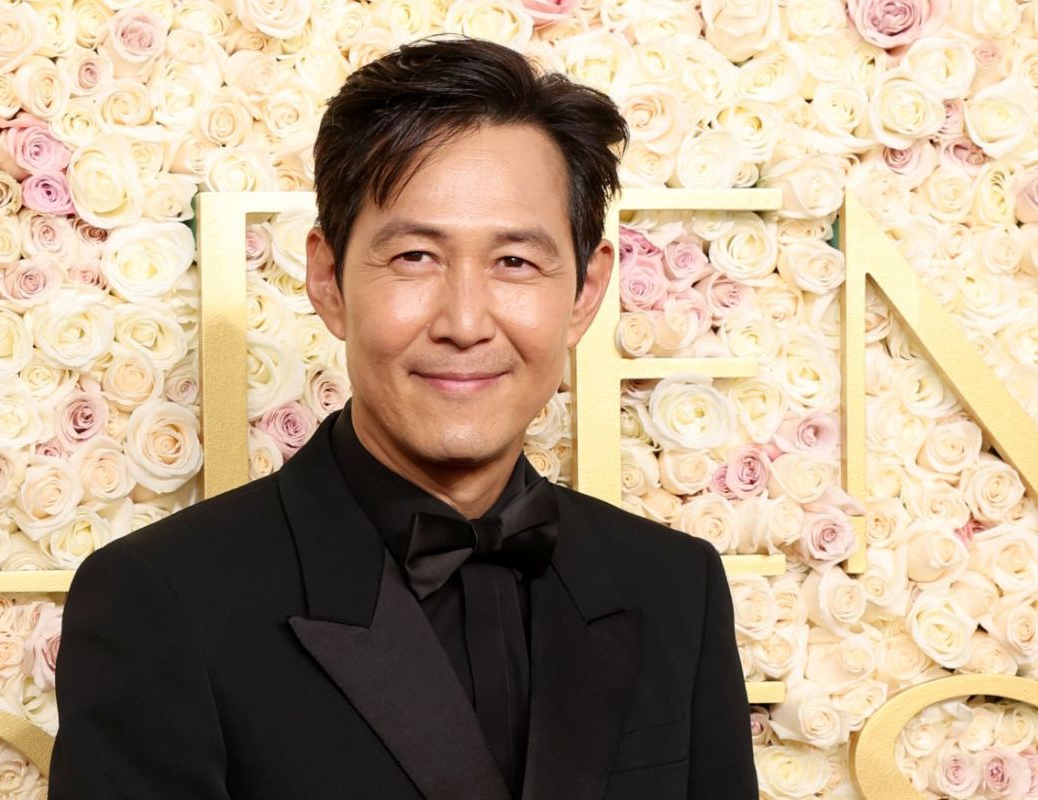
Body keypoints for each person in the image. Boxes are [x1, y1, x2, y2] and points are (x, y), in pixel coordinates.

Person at [48, 35, 758, 800]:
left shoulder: (674, 587)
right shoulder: (163, 600)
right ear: (328, 278)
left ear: (585, 293)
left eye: (515, 262)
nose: (465, 322)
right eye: (415, 256)